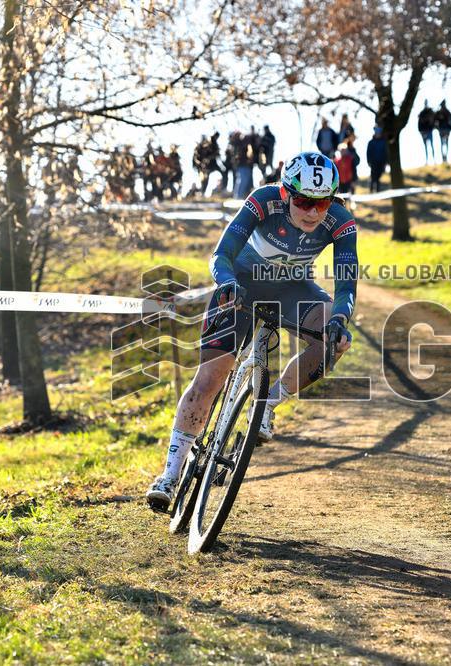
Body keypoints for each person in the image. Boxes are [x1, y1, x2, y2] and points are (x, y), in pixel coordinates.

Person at [145, 152, 358, 509]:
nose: (312, 212)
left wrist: (339, 319)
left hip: (293, 289)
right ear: (287, 193)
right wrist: (226, 282)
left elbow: (346, 285)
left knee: (336, 342)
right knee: (210, 378)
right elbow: (221, 254)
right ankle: (169, 474)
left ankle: (267, 403)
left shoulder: (339, 221)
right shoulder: (263, 200)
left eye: (321, 203)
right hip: (240, 284)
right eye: (304, 201)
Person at [366, 127, 388, 193]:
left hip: (381, 163)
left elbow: (386, 153)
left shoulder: (383, 142)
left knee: (378, 177)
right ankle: (371, 190)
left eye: (379, 133)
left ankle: (378, 191)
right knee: (373, 177)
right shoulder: (371, 142)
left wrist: (386, 162)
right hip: (373, 163)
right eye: (376, 133)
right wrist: (369, 161)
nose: (377, 134)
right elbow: (368, 153)